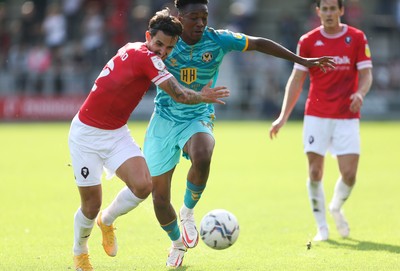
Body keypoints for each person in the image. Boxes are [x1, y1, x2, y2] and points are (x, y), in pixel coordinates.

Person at [142, 0, 335, 268]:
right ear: (179, 16)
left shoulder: (218, 40)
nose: (200, 23)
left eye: (204, 17)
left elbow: (257, 43)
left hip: (198, 115)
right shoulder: (164, 44)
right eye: (193, 17)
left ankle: (188, 211)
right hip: (163, 120)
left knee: (203, 154)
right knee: (160, 198)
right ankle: (177, 243)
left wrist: (301, 60)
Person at [68, 8, 230, 271]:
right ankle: (80, 253)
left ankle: (106, 221)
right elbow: (178, 94)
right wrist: (203, 95)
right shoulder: (147, 58)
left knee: (144, 186)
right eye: (158, 44)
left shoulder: (134, 48)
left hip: (116, 132)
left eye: (168, 48)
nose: (162, 52)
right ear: (148, 37)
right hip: (86, 134)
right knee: (90, 204)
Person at [269, 0, 373, 242]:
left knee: (349, 175)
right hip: (316, 115)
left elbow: (366, 74)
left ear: (341, 11)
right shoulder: (307, 41)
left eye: (332, 8)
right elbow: (296, 80)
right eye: (323, 9)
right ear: (318, 12)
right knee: (315, 172)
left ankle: (335, 207)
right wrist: (283, 116)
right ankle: (322, 228)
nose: (328, 13)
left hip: (347, 116)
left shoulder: (357, 38)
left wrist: (360, 93)